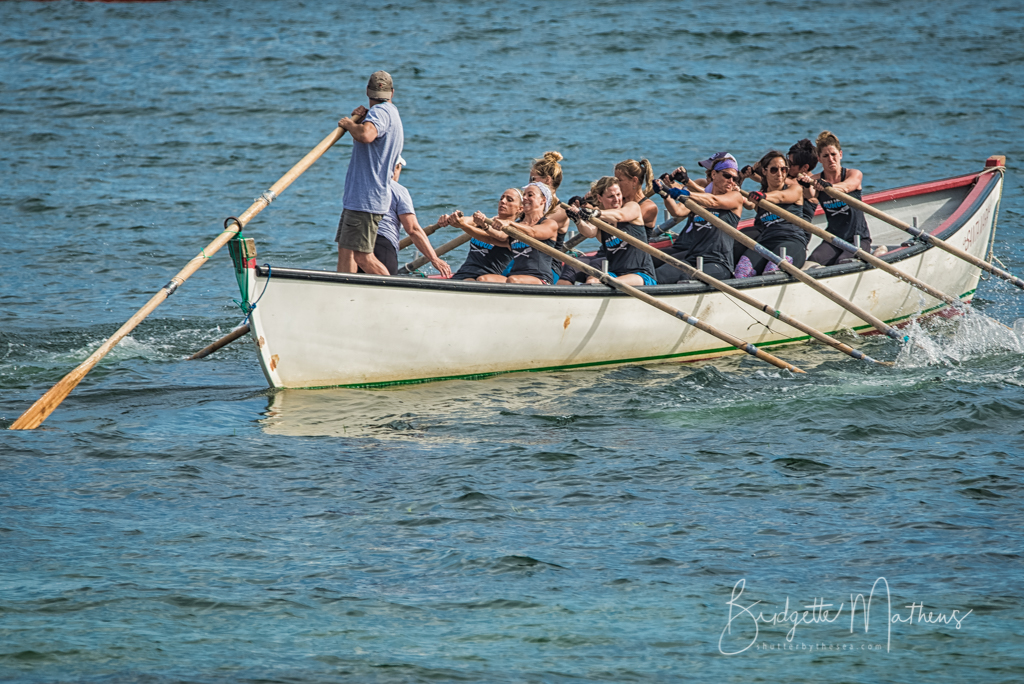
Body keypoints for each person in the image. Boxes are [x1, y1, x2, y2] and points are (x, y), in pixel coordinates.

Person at [335, 70, 404, 274]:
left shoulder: (379, 112)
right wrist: (358, 122)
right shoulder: (390, 113)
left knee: (363, 256)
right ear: (392, 92)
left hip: (366, 198)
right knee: (346, 251)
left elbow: (366, 136)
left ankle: (391, 289)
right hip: (362, 198)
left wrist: (349, 124)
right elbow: (370, 139)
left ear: (367, 91)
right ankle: (344, 289)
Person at [652, 153, 745, 283]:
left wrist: (685, 193)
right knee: (658, 275)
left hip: (718, 263)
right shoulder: (701, 199)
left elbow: (714, 201)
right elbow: (677, 211)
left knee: (685, 277)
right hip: (692, 259)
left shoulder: (735, 197)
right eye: (727, 176)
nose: (731, 181)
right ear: (714, 174)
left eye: (735, 179)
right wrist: (665, 193)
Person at [361, 157, 451, 277]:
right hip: (381, 244)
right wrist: (434, 259)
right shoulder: (398, 190)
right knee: (386, 286)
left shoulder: (361, 185)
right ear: (396, 167)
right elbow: (413, 229)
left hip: (356, 242)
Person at [565, 176, 656, 287]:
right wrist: (577, 220)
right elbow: (590, 232)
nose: (616, 199)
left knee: (607, 282)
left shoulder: (633, 207)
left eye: (618, 194)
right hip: (615, 273)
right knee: (592, 281)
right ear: (600, 198)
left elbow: (620, 215)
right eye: (611, 196)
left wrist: (596, 213)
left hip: (641, 275)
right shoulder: (601, 222)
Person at [800, 130, 872, 266]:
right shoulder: (816, 179)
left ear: (840, 154)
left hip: (858, 238)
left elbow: (845, 187)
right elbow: (810, 195)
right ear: (819, 159)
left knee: (843, 262)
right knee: (812, 262)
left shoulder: (854, 174)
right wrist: (805, 185)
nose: (830, 159)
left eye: (833, 154)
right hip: (833, 238)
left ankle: (876, 252)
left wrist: (829, 187)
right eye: (825, 156)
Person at [733, 150, 807, 277]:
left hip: (792, 241)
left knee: (772, 270)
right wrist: (739, 182)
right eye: (774, 170)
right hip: (765, 243)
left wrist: (763, 196)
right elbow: (744, 202)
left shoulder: (795, 189)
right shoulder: (758, 199)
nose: (779, 174)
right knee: (741, 271)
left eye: (783, 169)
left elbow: (781, 197)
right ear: (764, 171)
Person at [479, 182, 561, 284]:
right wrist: (484, 226)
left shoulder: (549, 224)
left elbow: (533, 232)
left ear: (543, 200)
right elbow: (495, 237)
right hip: (514, 277)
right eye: (524, 195)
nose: (524, 198)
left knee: (513, 280)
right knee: (483, 279)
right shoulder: (516, 225)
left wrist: (510, 223)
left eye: (530, 195)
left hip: (540, 279)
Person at [440, 188, 523, 282]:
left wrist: (466, 226)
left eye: (509, 200)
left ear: (520, 208)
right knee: (467, 280)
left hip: (489, 279)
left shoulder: (514, 231)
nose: (503, 201)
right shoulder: (484, 220)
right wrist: (453, 219)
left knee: (474, 280)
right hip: (464, 274)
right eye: (501, 198)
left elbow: (498, 236)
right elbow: (467, 220)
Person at [613, 158, 660, 239]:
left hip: (635, 247)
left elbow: (622, 220)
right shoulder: (618, 200)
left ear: (634, 181)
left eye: (619, 180)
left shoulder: (649, 207)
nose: (615, 185)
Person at [786, 139, 819, 221]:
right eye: (787, 161)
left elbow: (810, 194)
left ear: (805, 167)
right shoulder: (788, 176)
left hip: (800, 227)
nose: (787, 166)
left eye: (790, 164)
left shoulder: (813, 182)